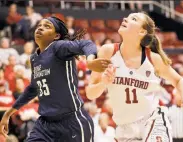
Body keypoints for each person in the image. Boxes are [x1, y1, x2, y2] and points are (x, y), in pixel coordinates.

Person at [0, 16, 110, 142]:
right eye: (39, 25)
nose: (40, 27)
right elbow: (34, 88)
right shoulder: (34, 58)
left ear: (56, 36)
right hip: (45, 124)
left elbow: (86, 44)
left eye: (47, 26)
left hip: (71, 122)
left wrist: (90, 62)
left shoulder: (59, 47)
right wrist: (9, 113)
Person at [86, 12, 183, 142]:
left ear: (142, 32)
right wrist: (103, 83)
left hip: (152, 121)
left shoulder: (153, 59)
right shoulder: (107, 51)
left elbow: (178, 80)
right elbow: (90, 93)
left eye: (134, 19)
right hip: (124, 128)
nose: (125, 18)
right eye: (128, 17)